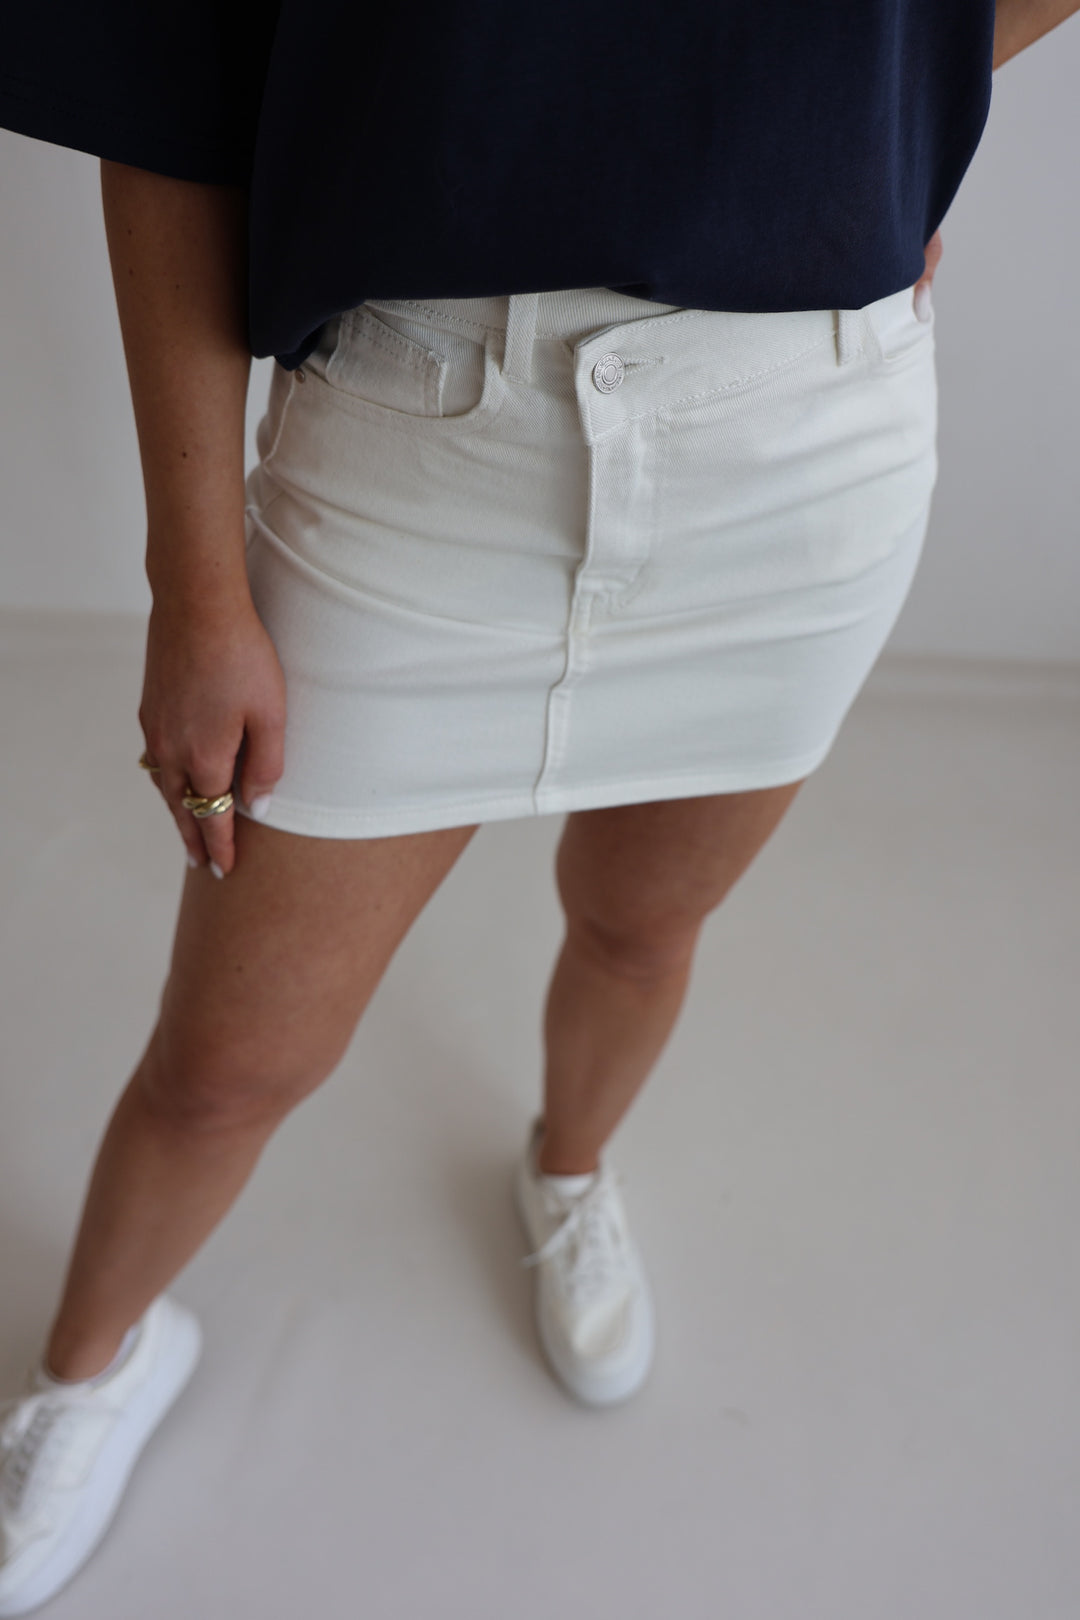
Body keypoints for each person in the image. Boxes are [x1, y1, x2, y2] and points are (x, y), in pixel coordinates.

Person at [0, 0, 1074, 1611]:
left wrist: (885, 127)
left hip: (801, 454)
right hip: (413, 453)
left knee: (641, 929)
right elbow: (160, 67)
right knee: (227, 1065)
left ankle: (568, 1174)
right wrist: (195, 584)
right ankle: (90, 1368)